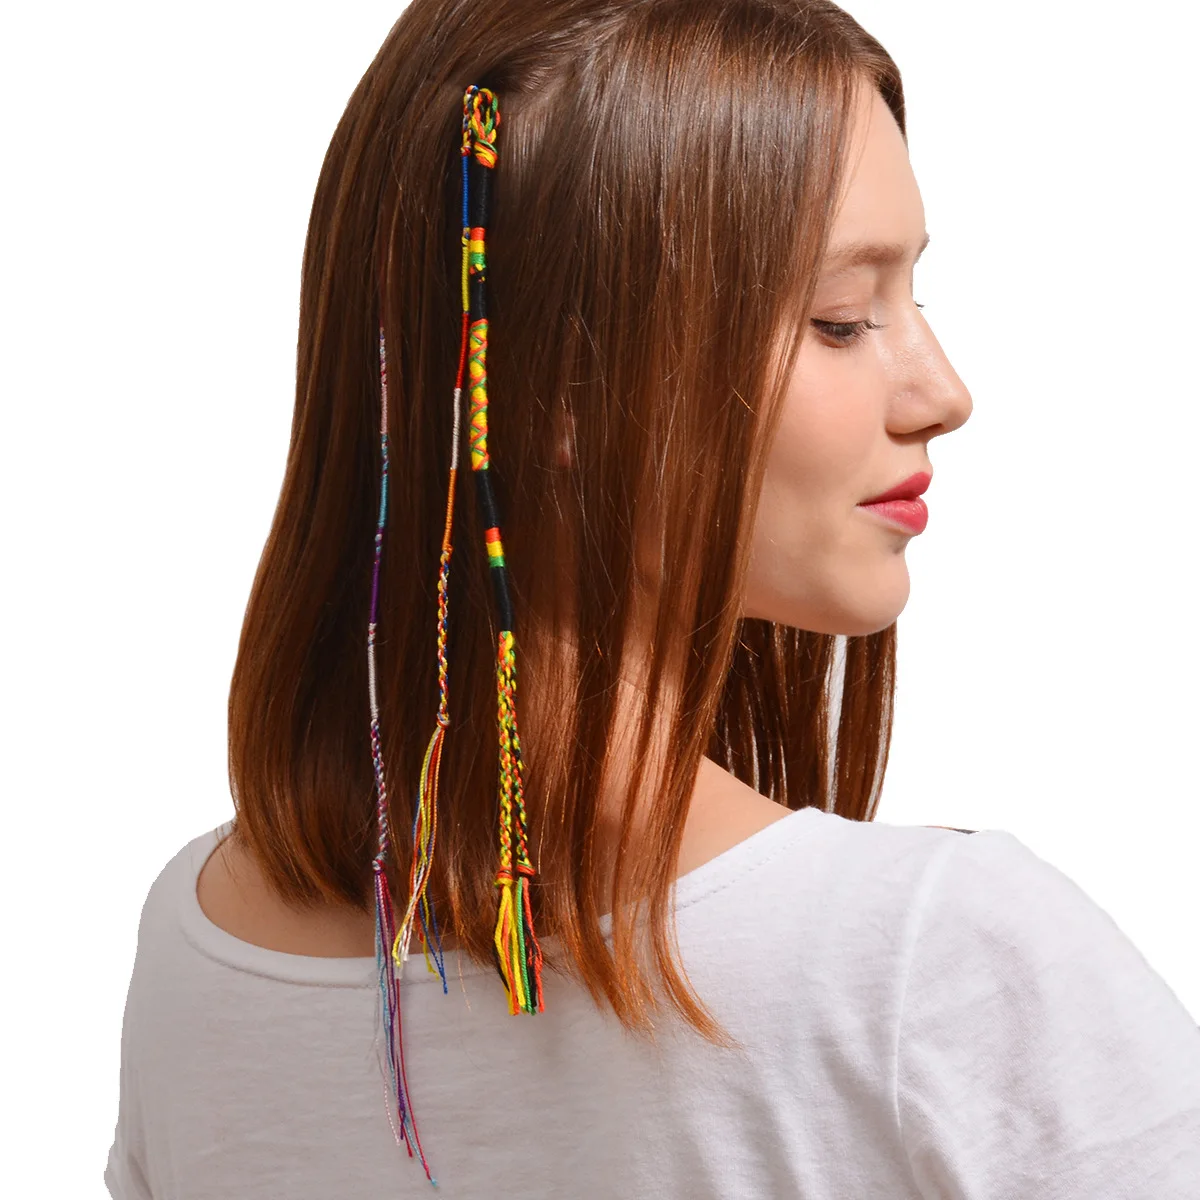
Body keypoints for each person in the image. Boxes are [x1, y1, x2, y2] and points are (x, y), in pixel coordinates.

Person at [103, 1, 1200, 1196]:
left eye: (913, 299)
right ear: (559, 385)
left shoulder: (201, 950)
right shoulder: (932, 967)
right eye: (841, 320)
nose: (942, 392)